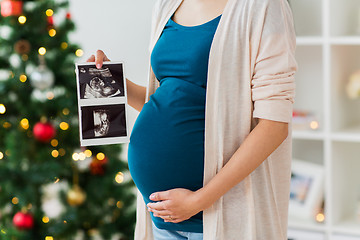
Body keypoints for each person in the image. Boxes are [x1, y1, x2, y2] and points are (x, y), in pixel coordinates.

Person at [87, 0, 297, 239]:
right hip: (161, 218)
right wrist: (111, 81)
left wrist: (199, 200)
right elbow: (169, 99)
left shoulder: (263, 7)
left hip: (219, 216)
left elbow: (274, 126)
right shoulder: (167, 5)